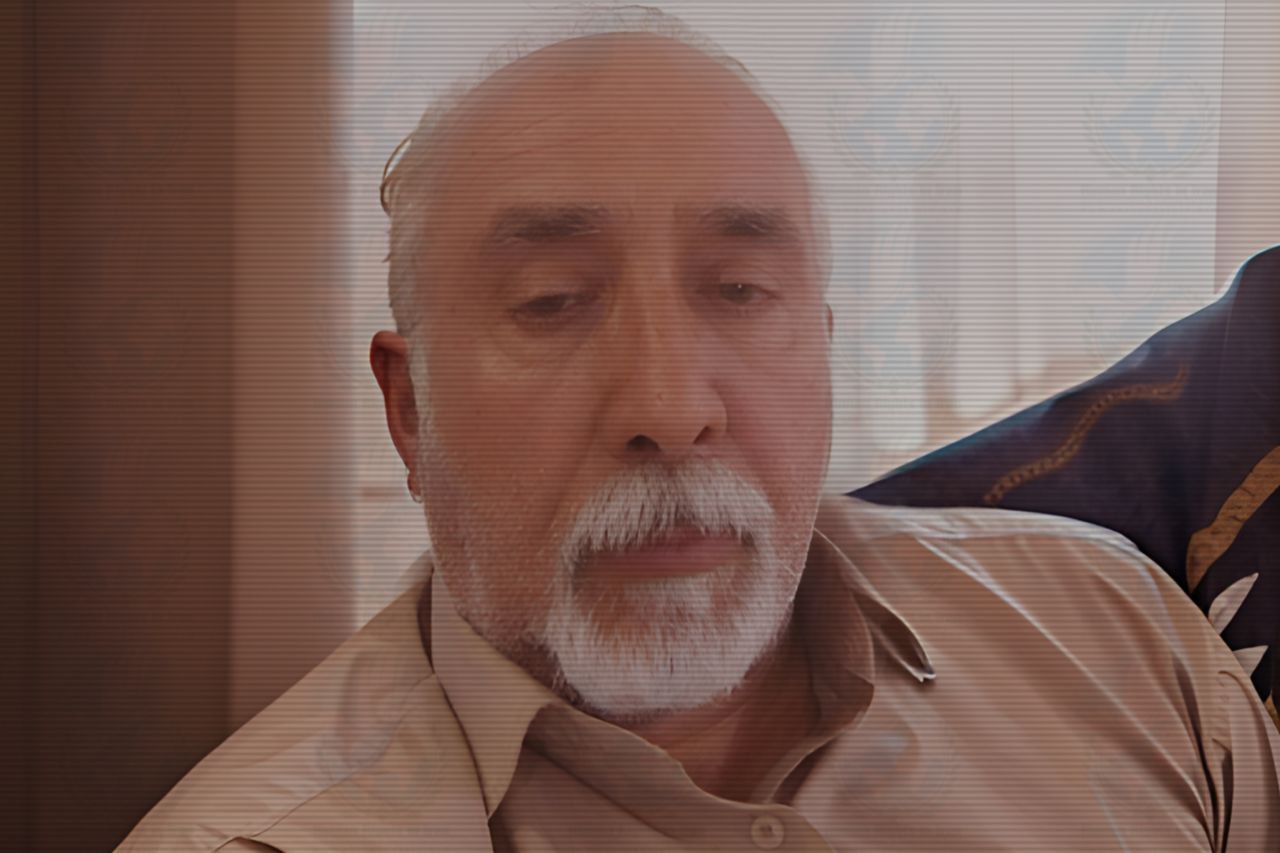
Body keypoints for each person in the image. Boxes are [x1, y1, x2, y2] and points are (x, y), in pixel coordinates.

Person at [118, 10, 1280, 852]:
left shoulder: (1117, 647)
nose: (670, 409)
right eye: (551, 303)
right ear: (409, 408)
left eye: (737, 290)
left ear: (823, 344)